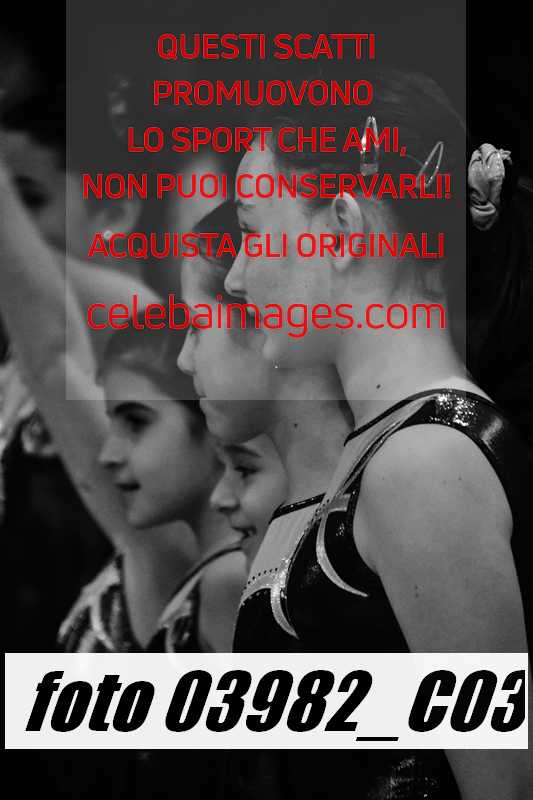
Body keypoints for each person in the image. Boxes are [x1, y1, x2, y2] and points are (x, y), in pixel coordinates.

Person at [222, 66, 532, 799]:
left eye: (250, 232)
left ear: (341, 229)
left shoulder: (424, 464)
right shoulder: (389, 449)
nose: (234, 277)